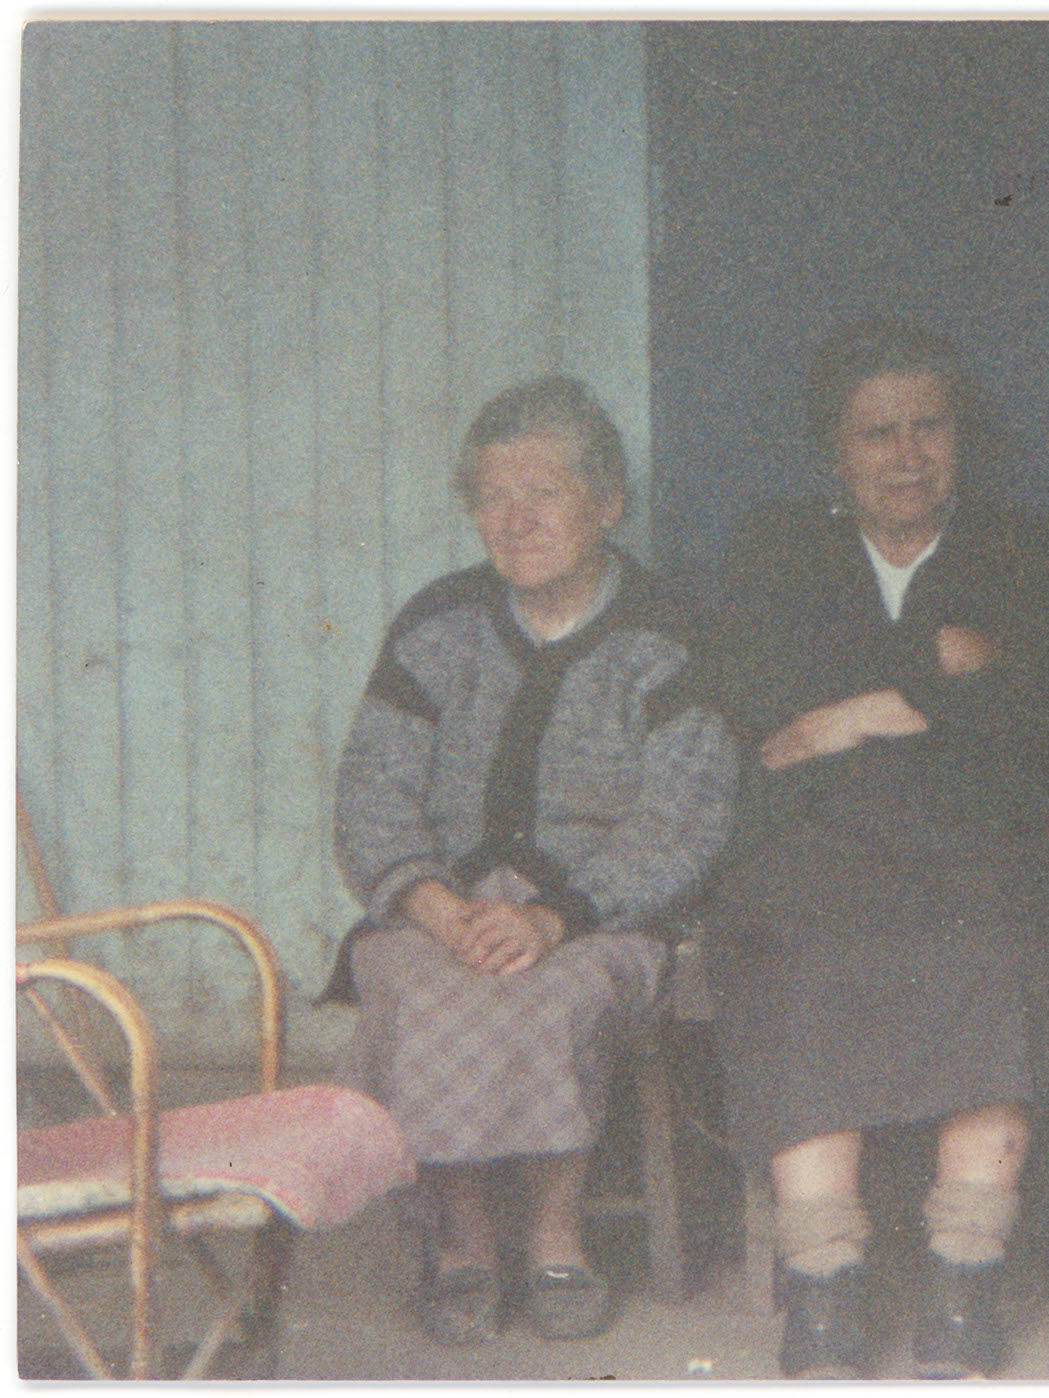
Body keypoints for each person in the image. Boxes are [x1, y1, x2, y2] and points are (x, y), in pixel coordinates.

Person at [704, 318, 1049, 1380]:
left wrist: (847, 712)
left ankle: (964, 1277)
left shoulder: (1024, 551)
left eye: (928, 425)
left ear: (961, 438)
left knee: (988, 941)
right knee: (797, 946)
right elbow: (755, 693)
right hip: (818, 840)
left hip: (986, 833)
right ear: (832, 452)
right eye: (875, 431)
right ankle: (826, 1283)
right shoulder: (777, 545)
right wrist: (945, 676)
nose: (906, 454)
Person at [327, 375, 737, 1346]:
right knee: (426, 988)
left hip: (601, 916)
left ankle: (557, 1240)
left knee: (554, 990)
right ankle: (468, 1244)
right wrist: (432, 904)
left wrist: (556, 916)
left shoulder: (670, 634)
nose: (513, 521)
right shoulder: (439, 624)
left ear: (608, 504)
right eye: (492, 499)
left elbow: (688, 815)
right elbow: (369, 791)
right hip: (440, 906)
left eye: (542, 493)